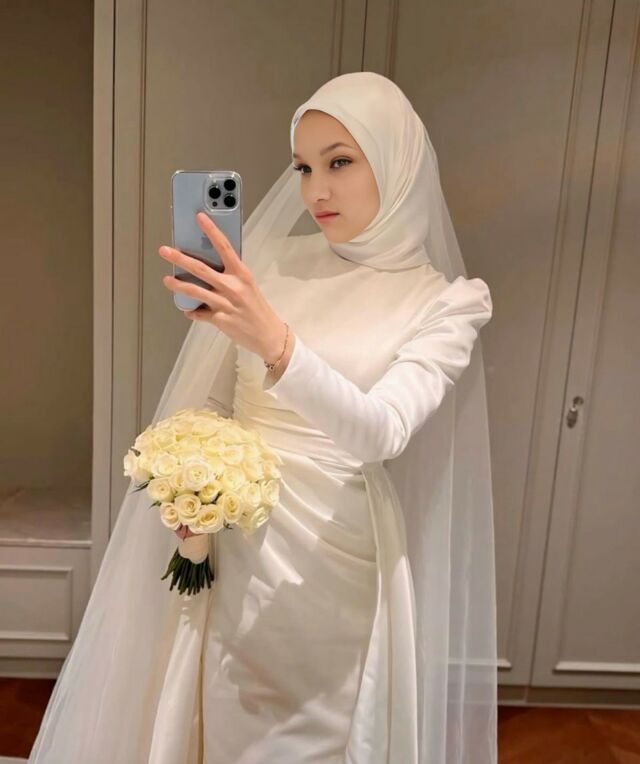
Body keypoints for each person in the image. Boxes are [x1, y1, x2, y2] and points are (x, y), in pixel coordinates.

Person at [28, 72, 498, 764]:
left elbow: (381, 432)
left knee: (321, 737)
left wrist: (277, 343)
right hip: (237, 539)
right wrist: (189, 482)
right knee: (224, 717)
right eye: (303, 167)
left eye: (340, 161)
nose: (316, 191)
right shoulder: (270, 262)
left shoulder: (448, 303)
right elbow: (222, 402)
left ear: (397, 161)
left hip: (335, 563)